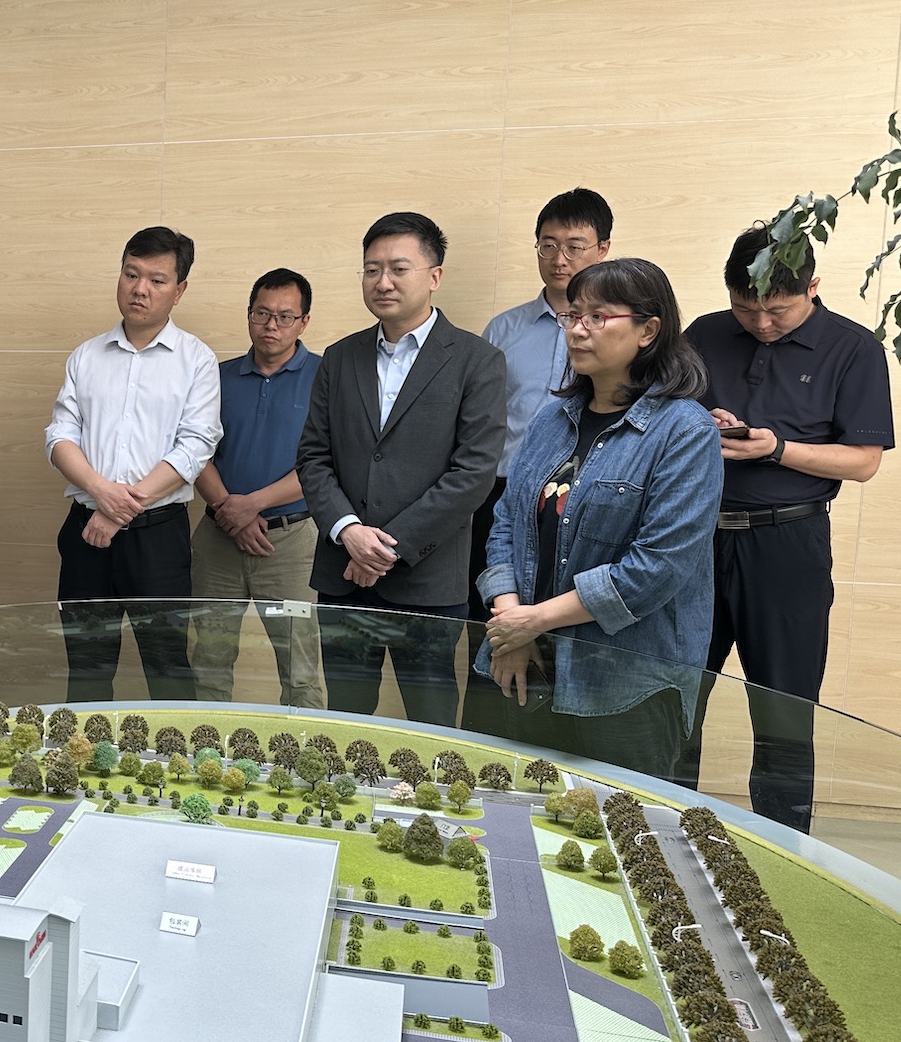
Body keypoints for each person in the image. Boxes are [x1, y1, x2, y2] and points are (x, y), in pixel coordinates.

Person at [673, 228, 895, 831]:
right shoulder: (705, 334)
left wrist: (776, 449)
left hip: (788, 542)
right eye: (747, 310)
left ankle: (785, 843)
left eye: (778, 311)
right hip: (694, 537)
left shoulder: (853, 348)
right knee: (676, 695)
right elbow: (662, 413)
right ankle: (657, 830)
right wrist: (699, 421)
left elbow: (863, 461)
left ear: (813, 288)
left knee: (785, 707)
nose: (762, 324)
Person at [477, 259, 723, 777]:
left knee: (621, 822)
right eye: (572, 315)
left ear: (648, 330)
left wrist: (532, 622)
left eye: (597, 316)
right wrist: (510, 625)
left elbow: (656, 569)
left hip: (625, 682)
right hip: (525, 662)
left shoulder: (685, 430)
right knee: (523, 812)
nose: (577, 329)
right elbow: (505, 524)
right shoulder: (551, 419)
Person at [296, 211, 505, 726]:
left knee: (431, 725)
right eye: (372, 270)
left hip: (427, 583)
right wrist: (349, 532)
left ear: (434, 276)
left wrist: (384, 549)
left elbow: (472, 474)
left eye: (398, 269)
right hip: (343, 577)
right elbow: (314, 457)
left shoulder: (477, 360)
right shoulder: (339, 358)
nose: (382, 282)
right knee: (344, 723)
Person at [45, 227, 222, 702]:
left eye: (157, 280)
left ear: (179, 290)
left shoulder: (197, 360)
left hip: (157, 539)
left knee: (167, 668)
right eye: (131, 274)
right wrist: (101, 494)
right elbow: (59, 438)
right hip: (86, 534)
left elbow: (196, 447)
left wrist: (119, 510)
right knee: (86, 667)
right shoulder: (86, 356)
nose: (140, 289)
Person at [465, 188, 614, 733]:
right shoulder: (503, 330)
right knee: (495, 625)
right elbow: (479, 425)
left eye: (575, 246)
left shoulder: (622, 330)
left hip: (588, 502)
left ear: (603, 249)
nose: (559, 259)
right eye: (548, 245)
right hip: (505, 499)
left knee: (571, 628)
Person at [190, 268, 324, 707]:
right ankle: (207, 745)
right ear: (248, 314)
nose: (271, 326)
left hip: (291, 544)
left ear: (304, 322)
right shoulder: (215, 376)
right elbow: (193, 451)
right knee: (210, 658)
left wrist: (253, 505)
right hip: (218, 541)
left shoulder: (326, 376)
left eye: (285, 317)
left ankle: (306, 748)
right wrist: (231, 512)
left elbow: (328, 461)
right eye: (262, 314)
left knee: (300, 667)